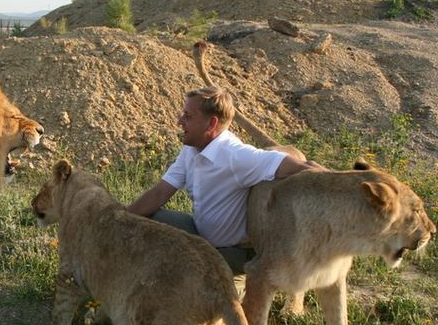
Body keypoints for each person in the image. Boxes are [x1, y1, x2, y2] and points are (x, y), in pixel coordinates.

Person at [127, 86, 321, 274]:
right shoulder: (192, 148)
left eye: (188, 116)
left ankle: (236, 283)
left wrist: (341, 185)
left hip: (233, 252)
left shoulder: (235, 156)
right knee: (151, 219)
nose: (179, 121)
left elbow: (305, 168)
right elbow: (160, 193)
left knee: (184, 274)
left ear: (211, 124)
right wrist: (117, 218)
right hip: (202, 237)